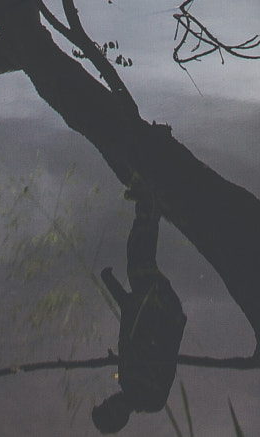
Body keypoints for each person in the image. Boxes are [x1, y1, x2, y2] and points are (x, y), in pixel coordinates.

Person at [91, 182, 187, 433]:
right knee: (139, 264)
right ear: (121, 419)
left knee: (137, 260)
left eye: (104, 403)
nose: (109, 401)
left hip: (155, 309)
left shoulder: (126, 378)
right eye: (109, 408)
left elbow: (129, 320)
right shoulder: (149, 398)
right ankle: (151, 205)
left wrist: (112, 286)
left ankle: (148, 207)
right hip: (163, 311)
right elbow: (153, 340)